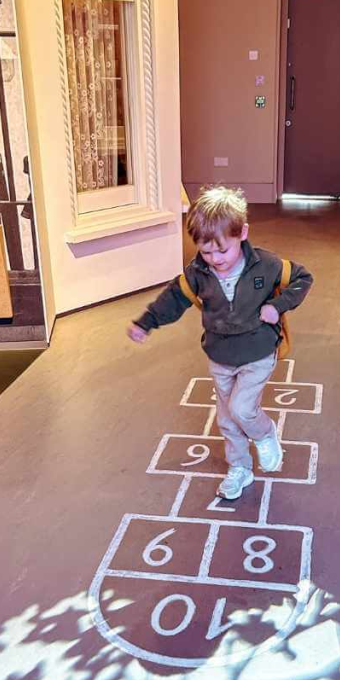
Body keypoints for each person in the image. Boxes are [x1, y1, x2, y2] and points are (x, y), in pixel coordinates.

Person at [127, 185, 313, 499]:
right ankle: (240, 468)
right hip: (220, 356)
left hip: (257, 351)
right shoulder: (198, 272)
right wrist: (146, 323)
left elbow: (303, 278)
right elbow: (173, 299)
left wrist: (277, 307)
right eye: (206, 251)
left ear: (242, 233)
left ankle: (266, 435)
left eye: (222, 250)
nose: (215, 259)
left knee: (242, 408)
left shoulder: (266, 265)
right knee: (227, 418)